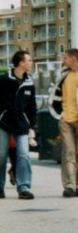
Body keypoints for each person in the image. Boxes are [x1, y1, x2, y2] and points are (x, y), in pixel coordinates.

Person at [0, 50, 37, 200]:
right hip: (4, 122)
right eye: (29, 60)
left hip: (22, 124)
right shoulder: (3, 79)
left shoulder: (29, 82)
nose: (31, 63)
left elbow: (32, 106)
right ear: (21, 63)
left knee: (24, 155)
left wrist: (32, 125)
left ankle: (24, 187)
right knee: (0, 157)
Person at [48, 48, 78, 197]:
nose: (63, 60)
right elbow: (55, 94)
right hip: (66, 119)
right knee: (69, 153)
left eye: (65, 57)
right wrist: (60, 114)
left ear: (73, 58)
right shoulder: (64, 76)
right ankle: (70, 186)